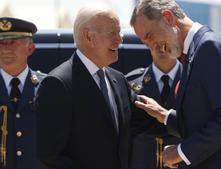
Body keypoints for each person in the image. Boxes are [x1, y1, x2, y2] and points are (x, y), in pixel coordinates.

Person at [130, 0, 221, 169]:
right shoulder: (195, 51)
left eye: (150, 36)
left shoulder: (209, 47)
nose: (152, 46)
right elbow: (204, 117)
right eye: (146, 43)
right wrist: (166, 116)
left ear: (168, 17)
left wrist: (181, 152)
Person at [35, 7, 133, 169]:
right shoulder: (58, 83)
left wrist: (171, 119)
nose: (119, 40)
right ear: (89, 37)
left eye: (119, 32)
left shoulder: (118, 79)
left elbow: (137, 124)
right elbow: (49, 155)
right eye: (112, 33)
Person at [126, 44, 182, 169]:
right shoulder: (130, 83)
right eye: (155, 40)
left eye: (167, 40)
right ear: (147, 42)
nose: (161, 47)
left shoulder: (195, 81)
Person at [0, 17, 46, 169]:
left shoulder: (48, 87)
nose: (5, 49)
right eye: (0, 43)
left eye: (13, 42)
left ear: (30, 48)